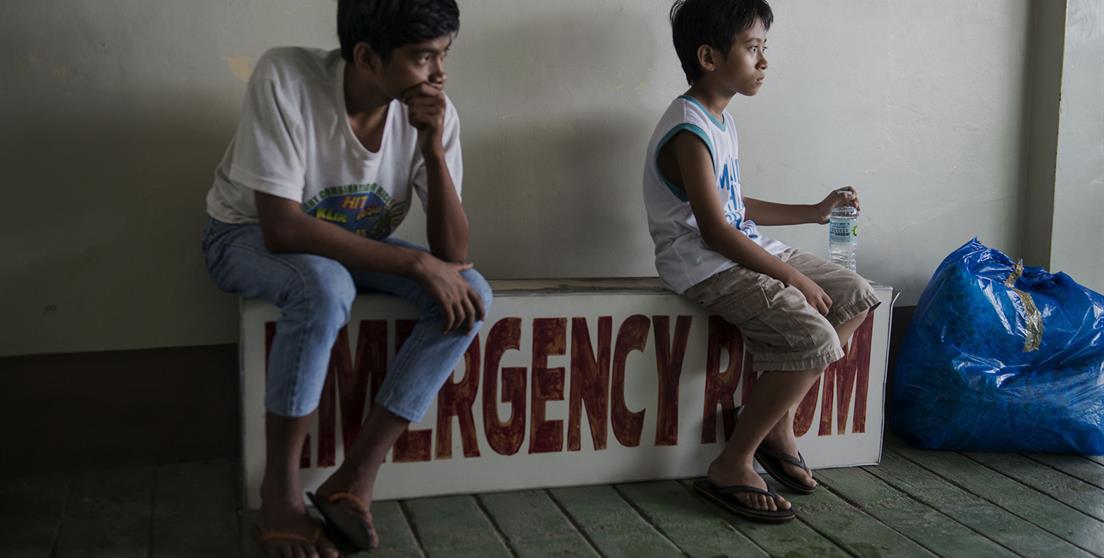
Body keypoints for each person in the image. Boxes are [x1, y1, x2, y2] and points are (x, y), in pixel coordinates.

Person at [201, 0, 490, 554]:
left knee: (472, 293)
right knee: (324, 286)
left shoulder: (432, 113)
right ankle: (281, 494)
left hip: (348, 246)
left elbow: (453, 252)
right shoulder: (285, 77)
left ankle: (353, 478)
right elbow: (282, 227)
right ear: (366, 56)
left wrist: (431, 149)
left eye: (444, 54)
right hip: (242, 236)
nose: (440, 73)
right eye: (423, 57)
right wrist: (411, 262)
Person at [643, 0, 879, 523]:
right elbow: (714, 230)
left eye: (763, 48)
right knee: (816, 337)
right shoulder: (688, 129)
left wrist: (816, 212)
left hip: (740, 247)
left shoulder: (719, 119)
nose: (764, 61)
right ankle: (733, 460)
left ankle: (777, 420)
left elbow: (734, 206)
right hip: (705, 263)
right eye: (753, 49)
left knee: (858, 296)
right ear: (709, 56)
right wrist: (791, 276)